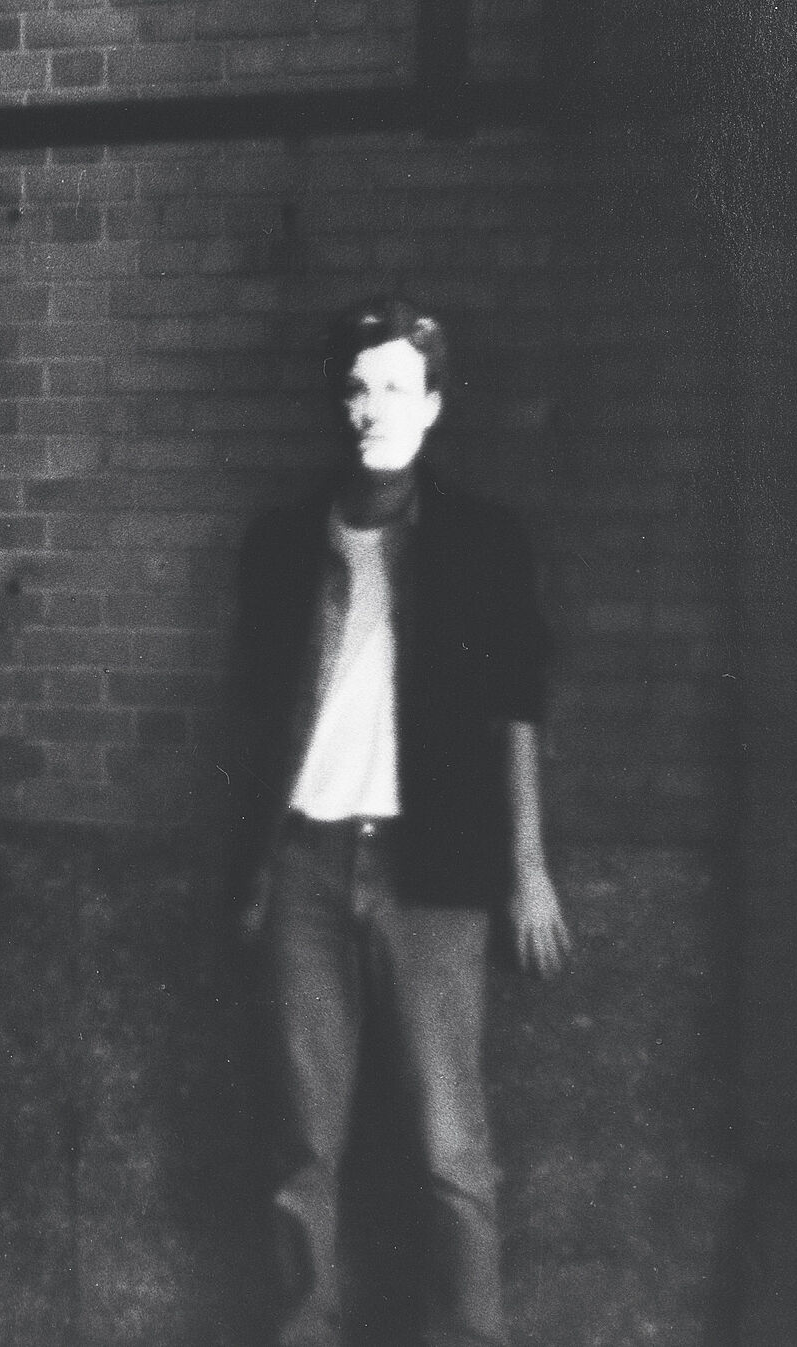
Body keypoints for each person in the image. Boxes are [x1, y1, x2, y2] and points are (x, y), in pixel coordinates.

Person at [230, 297, 572, 1347]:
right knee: (300, 1145)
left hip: (430, 870)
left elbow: (515, 702)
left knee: (446, 1146)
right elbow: (245, 716)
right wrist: (247, 874)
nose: (372, 407)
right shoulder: (282, 541)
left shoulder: (480, 538)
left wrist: (526, 863)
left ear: (429, 405)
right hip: (303, 862)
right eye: (357, 386)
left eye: (394, 386)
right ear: (338, 403)